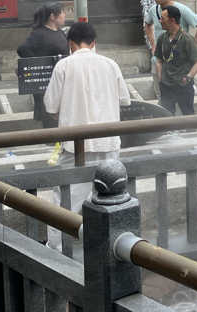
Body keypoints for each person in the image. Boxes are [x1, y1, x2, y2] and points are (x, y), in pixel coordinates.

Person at [43, 22, 131, 247]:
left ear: (71, 44)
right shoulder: (110, 64)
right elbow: (125, 100)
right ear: (93, 43)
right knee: (109, 198)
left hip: (76, 146)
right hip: (108, 143)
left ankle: (57, 248)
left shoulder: (64, 66)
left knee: (66, 199)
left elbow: (50, 106)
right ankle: (110, 246)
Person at [143, 0, 197, 97]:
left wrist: (191, 46)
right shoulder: (153, 10)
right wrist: (153, 45)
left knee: (181, 97)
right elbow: (147, 25)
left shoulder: (181, 10)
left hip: (178, 64)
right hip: (159, 61)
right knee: (161, 96)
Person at [18, 3, 70, 127]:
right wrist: (43, 64)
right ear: (52, 16)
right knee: (50, 118)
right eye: (62, 12)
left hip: (60, 80)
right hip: (47, 83)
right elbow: (22, 50)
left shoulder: (60, 32)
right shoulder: (39, 34)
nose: (65, 15)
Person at [155, 5, 197, 115]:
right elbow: (158, 60)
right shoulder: (162, 38)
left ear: (172, 20)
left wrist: (188, 78)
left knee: (188, 115)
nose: (160, 21)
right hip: (166, 86)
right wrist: (160, 78)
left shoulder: (187, 39)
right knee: (166, 115)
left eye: (162, 18)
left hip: (183, 86)